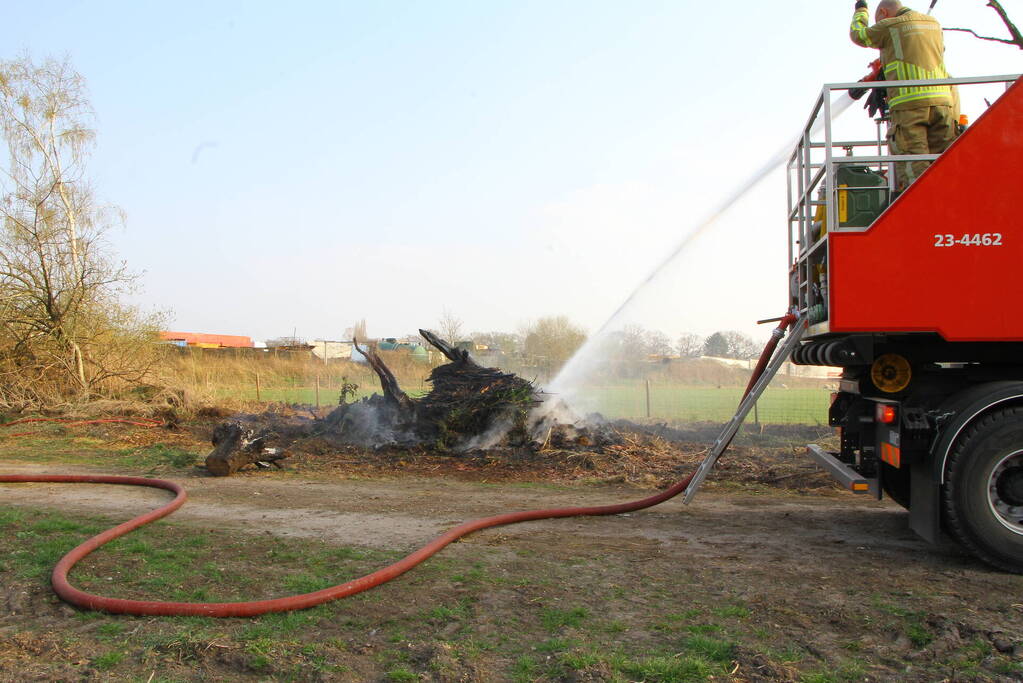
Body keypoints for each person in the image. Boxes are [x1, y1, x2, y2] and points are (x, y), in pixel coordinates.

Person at [850, 0, 956, 192]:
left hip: (909, 108)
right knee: (944, 165)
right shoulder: (933, 24)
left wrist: (861, 11)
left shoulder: (889, 25)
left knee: (915, 169)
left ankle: (923, 213)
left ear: (883, 12)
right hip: (944, 105)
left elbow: (859, 35)